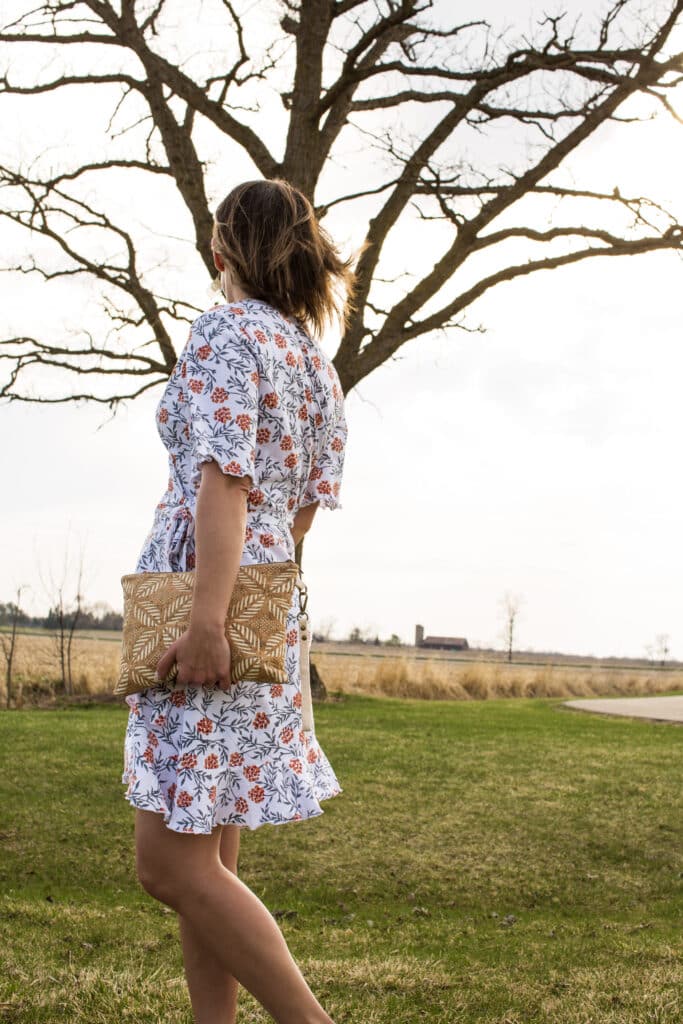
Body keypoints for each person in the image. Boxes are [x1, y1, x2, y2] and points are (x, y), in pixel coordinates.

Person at [121, 178, 356, 1024]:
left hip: (210, 603)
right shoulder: (315, 366)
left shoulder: (224, 334)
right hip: (269, 601)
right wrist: (262, 619)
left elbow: (224, 481)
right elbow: (296, 513)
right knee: (208, 855)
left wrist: (208, 622)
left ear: (222, 251)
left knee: (170, 866)